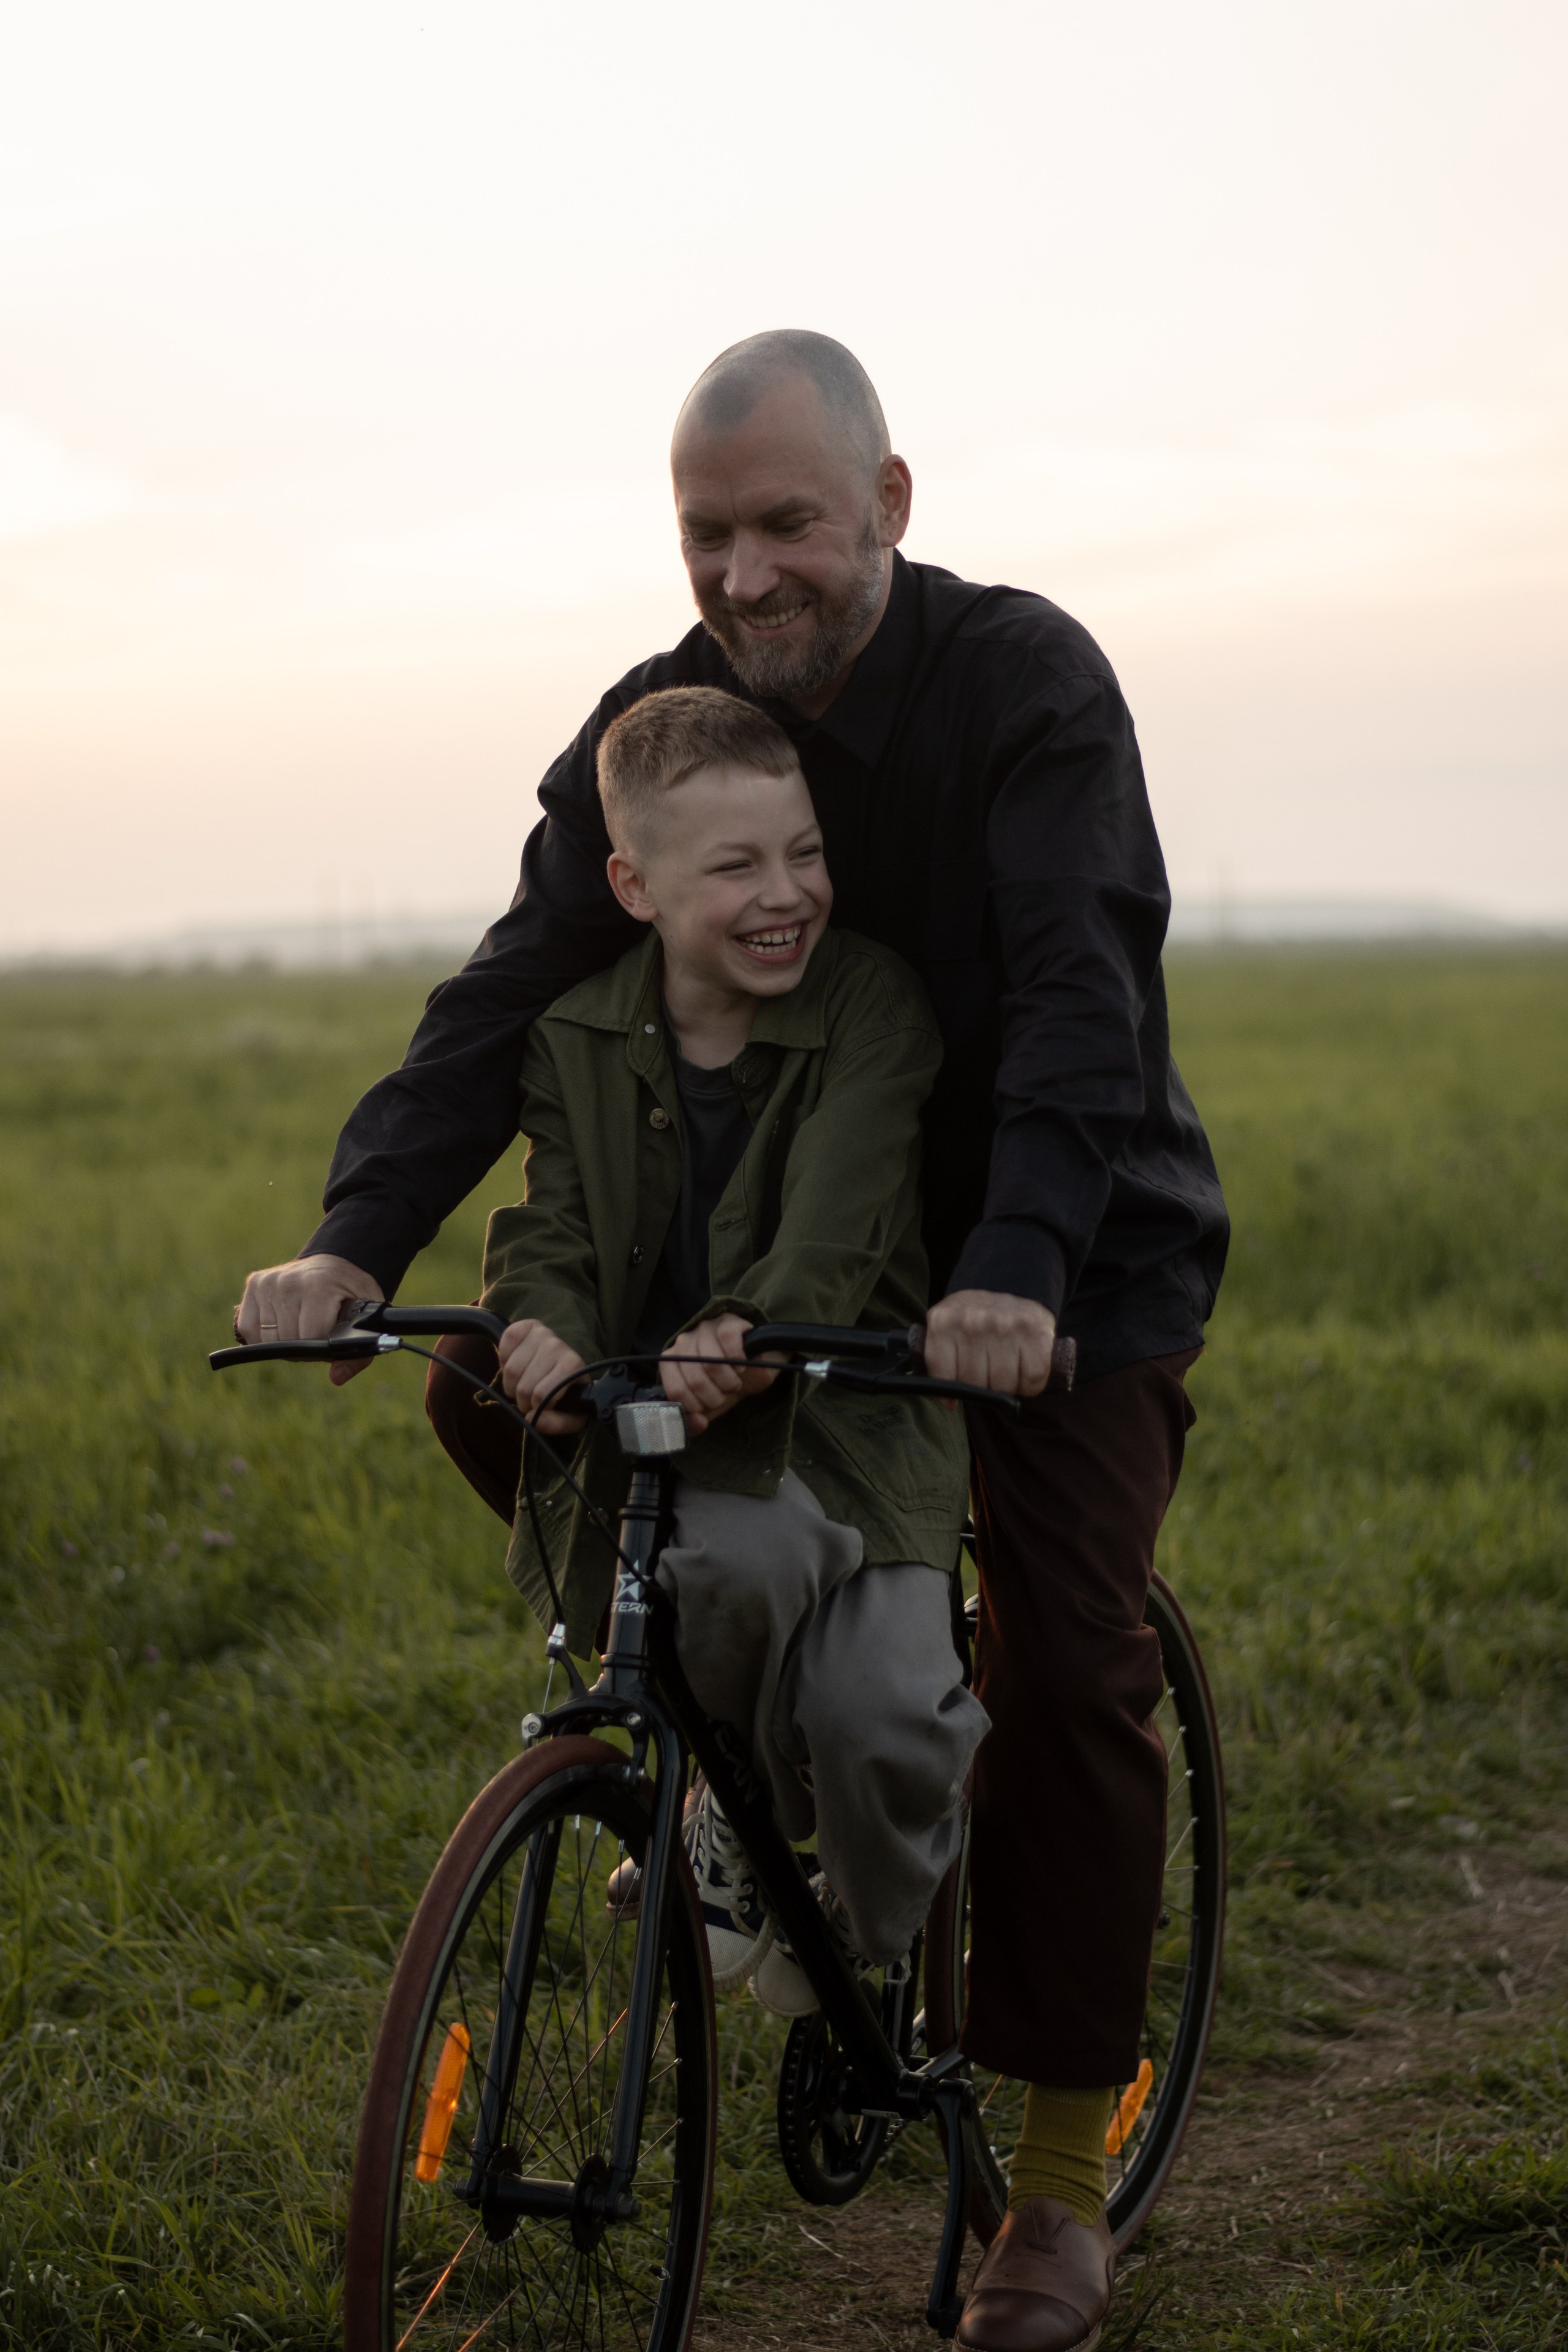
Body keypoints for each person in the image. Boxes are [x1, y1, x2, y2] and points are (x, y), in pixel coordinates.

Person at [238, 328, 1228, 2352]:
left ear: (887, 504)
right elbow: (514, 990)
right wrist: (353, 1239)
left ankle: (1051, 2194)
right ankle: (726, 1784)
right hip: (772, 1245)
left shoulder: (1024, 687)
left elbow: (1074, 1006)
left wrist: (1023, 1268)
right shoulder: (660, 728)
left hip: (1055, 1267)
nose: (749, 571)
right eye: (711, 534)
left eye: (789, 522)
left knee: (1066, 1658)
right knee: (481, 1382)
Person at [480, 680, 987, 2013]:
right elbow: (553, 1226)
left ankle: (866, 1951)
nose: (785, 893)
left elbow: (840, 1219)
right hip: (682, 1434)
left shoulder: (873, 1005)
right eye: (736, 866)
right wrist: (543, 1332)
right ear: (633, 885)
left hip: (848, 1417)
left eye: (804, 852)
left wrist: (745, 1329)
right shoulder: (575, 1030)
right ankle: (735, 1809)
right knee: (720, 1571)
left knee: (882, 1726)